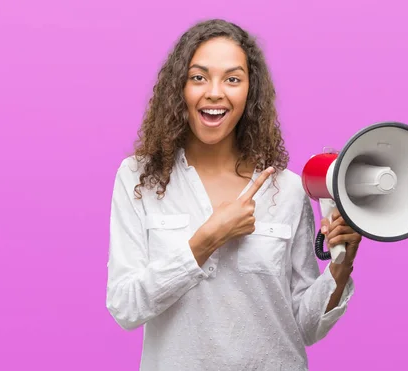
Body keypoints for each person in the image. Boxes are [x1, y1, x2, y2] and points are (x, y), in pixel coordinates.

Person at [105, 19, 362, 371]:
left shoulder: (285, 188)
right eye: (198, 77)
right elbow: (126, 306)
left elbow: (305, 326)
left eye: (232, 79)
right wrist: (206, 240)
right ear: (179, 88)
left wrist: (341, 264)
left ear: (249, 93)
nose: (214, 92)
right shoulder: (139, 178)